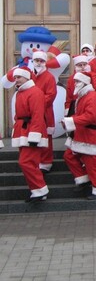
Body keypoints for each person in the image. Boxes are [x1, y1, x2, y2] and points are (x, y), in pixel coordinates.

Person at [62, 72, 96, 200]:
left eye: (77, 82)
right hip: (80, 133)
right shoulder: (83, 96)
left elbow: (90, 117)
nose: (74, 84)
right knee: (69, 156)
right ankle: (83, 179)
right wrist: (69, 120)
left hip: (89, 134)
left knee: (92, 163)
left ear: (84, 83)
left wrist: (71, 121)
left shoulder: (92, 96)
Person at [10, 67, 50, 202]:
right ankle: (37, 191)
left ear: (27, 77)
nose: (16, 80)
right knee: (29, 162)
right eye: (15, 78)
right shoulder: (21, 93)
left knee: (25, 162)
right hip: (23, 131)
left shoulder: (35, 92)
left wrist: (35, 136)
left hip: (31, 131)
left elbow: (37, 115)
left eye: (18, 77)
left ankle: (40, 189)